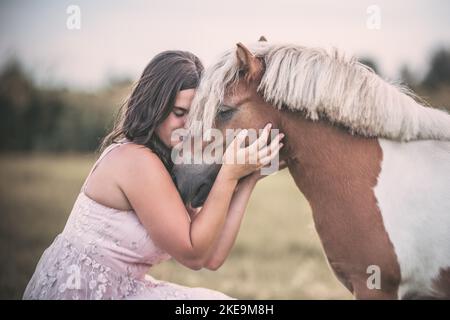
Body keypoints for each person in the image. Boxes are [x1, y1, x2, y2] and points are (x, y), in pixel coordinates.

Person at [23, 50, 284, 300]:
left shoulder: (165, 160)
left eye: (195, 115)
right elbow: (193, 255)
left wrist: (248, 179)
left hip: (122, 289)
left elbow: (211, 257)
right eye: (179, 113)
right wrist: (228, 173)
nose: (188, 125)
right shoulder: (136, 161)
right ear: (153, 107)